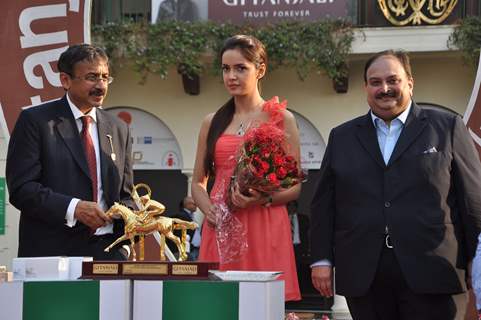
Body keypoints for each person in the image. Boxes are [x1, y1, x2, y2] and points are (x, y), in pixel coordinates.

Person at [310, 50, 481, 319]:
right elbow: (323, 205)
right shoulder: (341, 137)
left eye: (393, 80)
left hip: (433, 269)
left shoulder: (447, 127)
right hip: (364, 274)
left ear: (410, 83)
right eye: (375, 82)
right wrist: (321, 259)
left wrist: (477, 257)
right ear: (366, 87)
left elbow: (472, 198)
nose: (385, 89)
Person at [191, 34, 301, 301]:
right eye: (226, 69)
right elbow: (197, 182)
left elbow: (294, 186)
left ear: (260, 70)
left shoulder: (282, 118)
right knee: (219, 306)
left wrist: (263, 199)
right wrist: (208, 210)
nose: (231, 76)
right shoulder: (212, 121)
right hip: (222, 224)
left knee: (263, 306)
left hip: (265, 222)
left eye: (241, 68)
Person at [6, 44, 135, 260]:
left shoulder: (118, 128)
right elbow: (22, 189)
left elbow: (127, 196)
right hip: (52, 254)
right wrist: (74, 208)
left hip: (108, 254)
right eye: (92, 78)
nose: (101, 85)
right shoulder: (35, 122)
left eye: (105, 77)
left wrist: (125, 247)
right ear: (65, 80)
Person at [165, 196, 201, 261]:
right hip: (188, 250)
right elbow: (178, 234)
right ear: (188, 204)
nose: (196, 206)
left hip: (194, 250)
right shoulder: (181, 216)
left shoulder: (190, 216)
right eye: (194, 204)